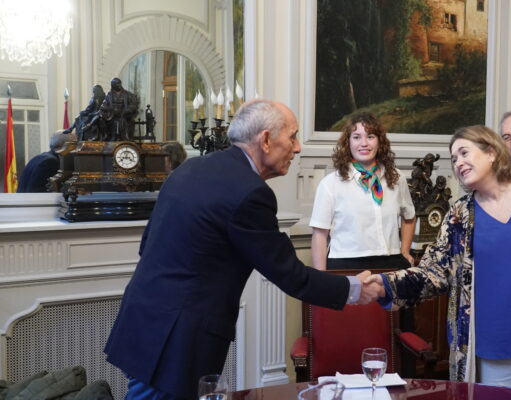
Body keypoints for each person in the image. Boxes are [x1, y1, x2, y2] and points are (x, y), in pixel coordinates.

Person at [104, 100, 382, 400]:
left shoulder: (192, 167)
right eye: (292, 137)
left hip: (142, 320)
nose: (298, 147)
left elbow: (148, 245)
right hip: (177, 339)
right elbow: (290, 275)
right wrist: (354, 287)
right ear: (265, 140)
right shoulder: (249, 192)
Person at [368, 125, 511, 398]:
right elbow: (434, 273)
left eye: (464, 153)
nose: (458, 163)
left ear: (490, 152)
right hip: (492, 341)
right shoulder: (459, 215)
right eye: (454, 159)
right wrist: (384, 284)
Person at [309, 113, 416, 270]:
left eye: (370, 136)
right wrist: (321, 278)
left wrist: (404, 251)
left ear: (380, 141)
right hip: (345, 265)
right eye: (357, 137)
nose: (364, 143)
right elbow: (319, 234)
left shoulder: (397, 178)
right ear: (348, 142)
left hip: (391, 263)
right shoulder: (330, 184)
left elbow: (410, 218)